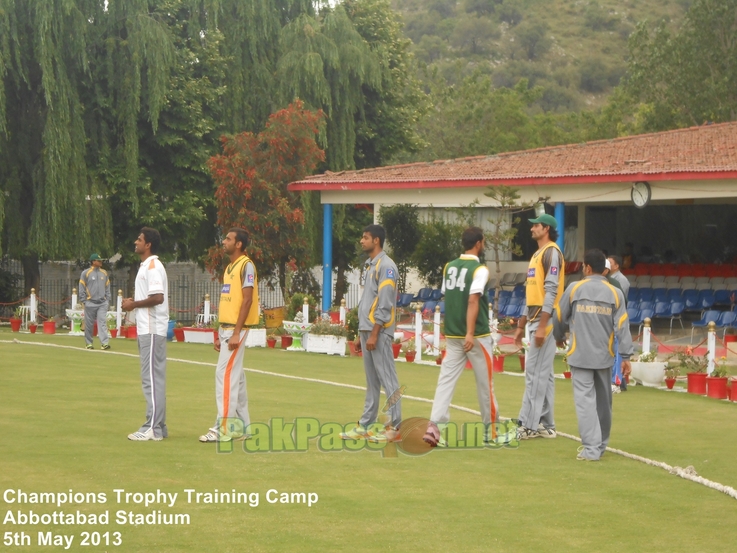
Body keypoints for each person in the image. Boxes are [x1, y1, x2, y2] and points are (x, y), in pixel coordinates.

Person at [554, 249, 633, 461]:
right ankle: (600, 445)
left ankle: (591, 449)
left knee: (585, 402)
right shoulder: (615, 293)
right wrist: (625, 357)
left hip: (579, 356)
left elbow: (559, 316)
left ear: (587, 268)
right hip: (604, 357)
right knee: (604, 403)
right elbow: (623, 327)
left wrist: (559, 336)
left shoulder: (574, 288)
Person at [423, 227, 499, 447]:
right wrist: (470, 332)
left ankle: (434, 427)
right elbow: (473, 300)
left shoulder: (449, 267)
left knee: (445, 381)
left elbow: (451, 296)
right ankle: (490, 433)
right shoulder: (480, 270)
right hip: (476, 335)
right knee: (485, 384)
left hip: (453, 332)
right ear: (479, 243)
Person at [341, 224, 402, 443]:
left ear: (376, 240)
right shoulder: (370, 266)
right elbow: (369, 301)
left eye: (365, 237)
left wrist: (375, 333)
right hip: (368, 331)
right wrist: (362, 333)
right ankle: (366, 425)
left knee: (388, 380)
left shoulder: (386, 266)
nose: (361, 240)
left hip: (380, 332)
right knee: (372, 382)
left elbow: (384, 304)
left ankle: (395, 427)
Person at [199, 228, 258, 443]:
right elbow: (227, 301)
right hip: (226, 328)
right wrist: (219, 332)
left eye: (228, 239)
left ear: (239, 244)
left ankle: (223, 427)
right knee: (237, 378)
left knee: (224, 375)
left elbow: (247, 300)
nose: (224, 242)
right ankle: (243, 426)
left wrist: (235, 333)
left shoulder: (246, 265)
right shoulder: (230, 268)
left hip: (236, 329)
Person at [514, 213, 565, 440]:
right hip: (536, 319)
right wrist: (522, 322)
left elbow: (552, 291)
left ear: (546, 229)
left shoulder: (552, 253)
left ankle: (528, 424)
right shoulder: (538, 254)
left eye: (536, 226)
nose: (532, 228)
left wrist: (543, 326)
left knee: (534, 374)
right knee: (544, 375)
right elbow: (532, 292)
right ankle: (546, 423)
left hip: (546, 321)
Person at [122, 228, 169, 442]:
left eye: (139, 239)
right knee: (153, 378)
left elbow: (158, 297)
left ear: (148, 244)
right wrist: (136, 301)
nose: (136, 242)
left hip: (152, 330)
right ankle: (159, 426)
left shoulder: (152, 266)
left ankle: (152, 427)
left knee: (151, 379)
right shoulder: (146, 266)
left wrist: (134, 304)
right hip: (147, 329)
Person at [79, 253, 112, 350]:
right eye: (99, 260)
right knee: (89, 324)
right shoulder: (86, 273)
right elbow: (82, 287)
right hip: (90, 302)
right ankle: (89, 343)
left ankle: (104, 343)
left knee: (102, 322)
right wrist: (84, 300)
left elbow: (107, 287)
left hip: (102, 303)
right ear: (93, 261)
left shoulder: (104, 273)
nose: (101, 262)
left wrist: (107, 299)